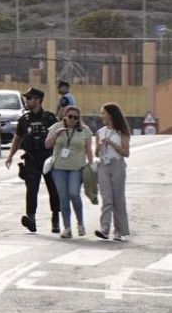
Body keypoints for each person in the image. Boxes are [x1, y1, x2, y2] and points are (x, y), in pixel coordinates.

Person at [5, 86, 62, 234]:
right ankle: (31, 218)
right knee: (31, 190)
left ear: (38, 100)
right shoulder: (24, 119)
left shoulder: (49, 118)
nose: (27, 101)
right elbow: (18, 138)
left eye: (29, 98)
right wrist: (11, 155)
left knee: (53, 190)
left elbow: (59, 138)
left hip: (48, 158)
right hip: (31, 158)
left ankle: (55, 218)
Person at [45, 105, 94, 239]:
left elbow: (89, 149)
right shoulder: (56, 127)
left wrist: (91, 165)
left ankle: (80, 223)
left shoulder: (84, 130)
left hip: (77, 168)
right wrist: (56, 134)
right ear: (65, 116)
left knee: (74, 194)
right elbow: (47, 144)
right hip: (59, 167)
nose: (73, 120)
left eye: (76, 118)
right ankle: (67, 227)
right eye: (70, 116)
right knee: (63, 197)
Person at [94, 103, 132, 241]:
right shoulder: (99, 132)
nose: (101, 116)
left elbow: (126, 152)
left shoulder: (122, 132)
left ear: (111, 114)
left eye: (103, 113)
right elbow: (96, 154)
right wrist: (98, 148)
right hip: (103, 166)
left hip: (117, 165)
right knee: (106, 198)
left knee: (118, 199)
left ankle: (119, 231)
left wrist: (112, 143)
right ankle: (104, 228)